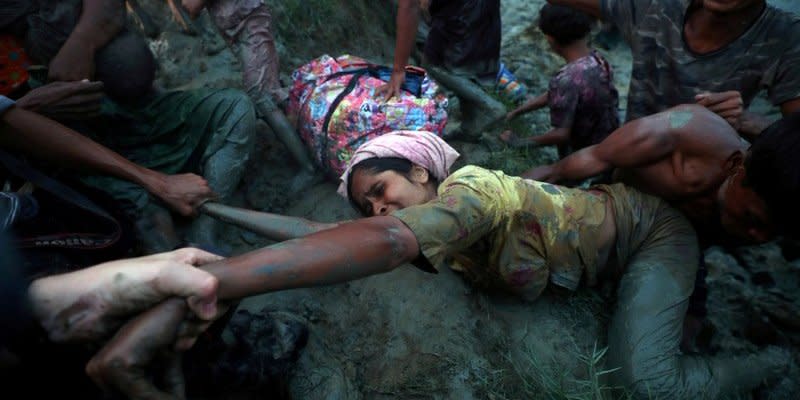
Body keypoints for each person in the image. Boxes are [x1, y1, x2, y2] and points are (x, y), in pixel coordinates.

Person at [87, 131, 787, 399]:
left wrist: (210, 284)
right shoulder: (429, 229)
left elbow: (383, 245)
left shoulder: (473, 191)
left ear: (425, 175)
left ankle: (776, 365)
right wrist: (220, 214)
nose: (378, 214)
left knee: (653, 387)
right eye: (366, 207)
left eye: (383, 192)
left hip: (652, 234)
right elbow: (318, 235)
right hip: (604, 233)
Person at [0, 1, 258, 252]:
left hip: (130, 115)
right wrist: (30, 109)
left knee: (234, 109)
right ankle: (184, 266)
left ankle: (204, 232)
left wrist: (82, 43)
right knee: (147, 215)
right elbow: (12, 128)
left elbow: (108, 9)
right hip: (65, 158)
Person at [525, 104, 800, 245]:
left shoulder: (776, 208)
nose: (759, 237)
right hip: (616, 211)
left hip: (676, 246)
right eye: (753, 218)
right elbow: (579, 164)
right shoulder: (681, 135)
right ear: (734, 166)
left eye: (774, 233)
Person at [546, 0, 800, 140]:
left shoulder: (786, 37)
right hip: (629, 172)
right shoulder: (657, 6)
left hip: (703, 195)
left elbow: (794, 142)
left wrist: (745, 121)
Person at [175, 0, 316, 173]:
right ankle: (314, 145)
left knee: (262, 97)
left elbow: (191, 6)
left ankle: (309, 168)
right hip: (243, 29)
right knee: (270, 93)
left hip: (250, 26)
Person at [503, 3, 619, 159]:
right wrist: (519, 110)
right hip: (610, 143)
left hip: (583, 157)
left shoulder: (565, 79)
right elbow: (560, 93)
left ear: (550, 38)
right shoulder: (597, 60)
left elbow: (561, 134)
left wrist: (520, 142)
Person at [378, 0, 508, 138]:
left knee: (435, 63)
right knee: (463, 63)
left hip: (462, 10)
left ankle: (488, 107)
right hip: (487, 6)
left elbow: (409, 6)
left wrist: (399, 70)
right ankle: (470, 126)